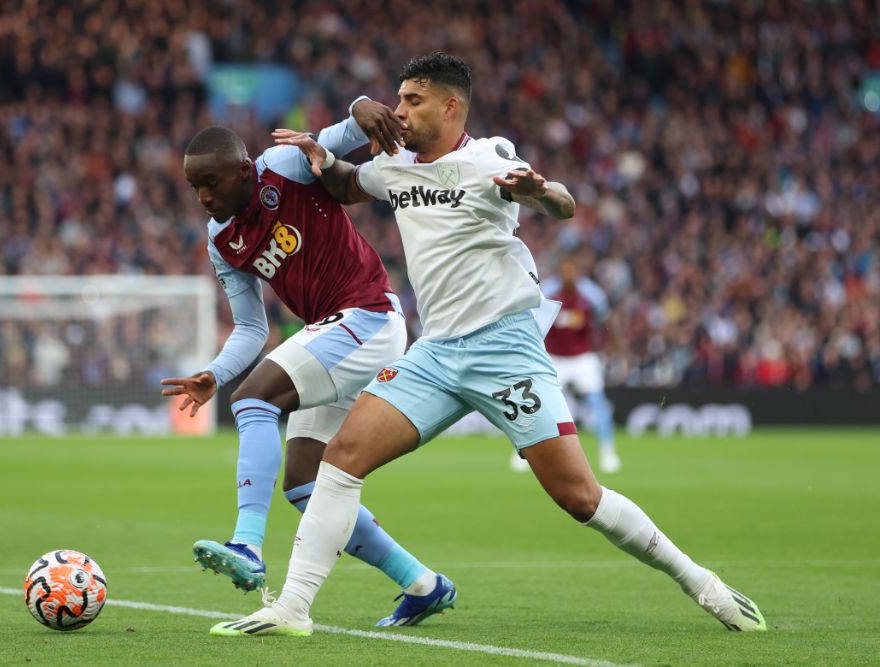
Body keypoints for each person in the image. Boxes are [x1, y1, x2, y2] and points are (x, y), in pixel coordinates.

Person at [211, 52, 766, 637]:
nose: (400, 110)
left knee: (580, 497)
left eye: (412, 101)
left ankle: (699, 581)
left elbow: (563, 205)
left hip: (506, 350)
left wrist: (540, 190)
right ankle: (293, 609)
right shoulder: (395, 165)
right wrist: (320, 157)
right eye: (398, 99)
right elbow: (349, 185)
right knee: (341, 459)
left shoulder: (488, 157)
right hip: (435, 353)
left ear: (450, 106)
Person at [159, 98, 456, 627]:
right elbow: (252, 328)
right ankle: (423, 583)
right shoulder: (221, 241)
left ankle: (247, 546)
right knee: (304, 484)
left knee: (253, 399)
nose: (204, 197)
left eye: (212, 183)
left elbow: (344, 133)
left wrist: (362, 107)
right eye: (194, 187)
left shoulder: (283, 167)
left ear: (243, 170)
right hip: (336, 334)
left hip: (366, 315)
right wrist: (214, 372)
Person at [510, 256, 622, 474]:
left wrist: (619, 349)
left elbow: (608, 319)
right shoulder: (547, 292)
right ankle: (524, 453)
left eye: (572, 271)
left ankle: (608, 451)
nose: (568, 275)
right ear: (560, 272)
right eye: (565, 271)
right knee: (534, 404)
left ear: (577, 273)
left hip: (583, 358)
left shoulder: (591, 294)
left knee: (597, 403)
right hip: (554, 358)